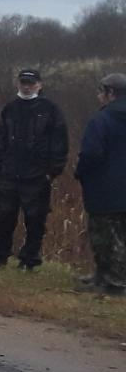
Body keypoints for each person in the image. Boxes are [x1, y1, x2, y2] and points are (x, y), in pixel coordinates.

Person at [0, 68, 68, 270]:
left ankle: (29, 258)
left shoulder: (50, 109)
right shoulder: (10, 108)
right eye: (23, 82)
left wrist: (53, 170)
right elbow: (1, 139)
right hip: (9, 173)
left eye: (31, 83)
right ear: (18, 83)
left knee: (35, 218)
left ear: (39, 85)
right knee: (5, 216)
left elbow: (60, 142)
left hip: (37, 174)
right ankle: (1, 254)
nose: (27, 86)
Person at [73, 71, 126, 295]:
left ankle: (113, 283)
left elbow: (91, 153)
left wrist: (80, 172)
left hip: (104, 187)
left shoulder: (101, 120)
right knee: (121, 234)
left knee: (103, 236)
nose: (98, 96)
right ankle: (102, 276)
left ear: (110, 93)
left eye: (100, 91)